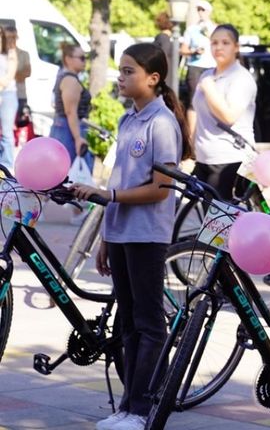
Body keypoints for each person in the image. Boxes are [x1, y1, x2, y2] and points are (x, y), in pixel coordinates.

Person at [71, 43, 192, 430]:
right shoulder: (128, 121)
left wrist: (110, 197)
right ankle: (126, 407)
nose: (120, 78)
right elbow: (118, 181)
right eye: (120, 71)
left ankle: (142, 410)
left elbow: (162, 188)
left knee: (148, 323)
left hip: (147, 235)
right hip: (122, 232)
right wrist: (107, 235)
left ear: (153, 78)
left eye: (128, 72)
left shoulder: (161, 123)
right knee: (127, 324)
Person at [187, 24, 256, 201]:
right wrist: (191, 145)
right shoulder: (206, 75)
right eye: (214, 42)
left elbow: (229, 116)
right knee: (209, 217)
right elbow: (196, 109)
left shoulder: (241, 78)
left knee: (219, 222)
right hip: (204, 156)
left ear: (236, 47)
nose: (218, 47)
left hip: (229, 157)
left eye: (225, 42)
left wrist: (210, 89)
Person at [48, 43, 93, 171]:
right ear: (68, 59)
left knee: (62, 172)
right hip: (68, 130)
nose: (85, 61)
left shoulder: (68, 77)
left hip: (65, 127)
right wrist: (78, 138)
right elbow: (70, 112)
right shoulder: (70, 80)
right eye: (82, 58)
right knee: (68, 173)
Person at [180, 0, 217, 105]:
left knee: (212, 100)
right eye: (199, 10)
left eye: (203, 10)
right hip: (195, 67)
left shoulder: (216, 28)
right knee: (194, 101)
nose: (201, 12)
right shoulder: (191, 29)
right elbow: (183, 50)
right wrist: (193, 52)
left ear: (209, 12)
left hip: (212, 66)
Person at [0, 30, 17, 170]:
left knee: (6, 132)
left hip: (7, 95)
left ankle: (6, 166)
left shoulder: (10, 53)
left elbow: (9, 77)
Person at [3, 25, 30, 104]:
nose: (11, 40)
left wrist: (8, 76)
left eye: (14, 37)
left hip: (20, 96)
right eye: (8, 37)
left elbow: (27, 72)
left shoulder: (24, 54)